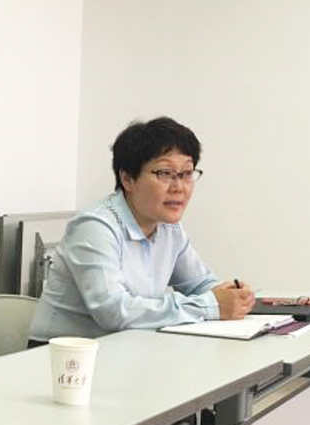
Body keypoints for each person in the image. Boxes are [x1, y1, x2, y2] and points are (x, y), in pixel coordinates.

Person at [28, 116, 255, 346]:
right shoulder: (95, 226)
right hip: (60, 354)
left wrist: (232, 295)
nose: (179, 187)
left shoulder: (169, 228)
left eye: (187, 173)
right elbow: (112, 311)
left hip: (125, 347)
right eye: (165, 173)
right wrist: (210, 305)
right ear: (127, 179)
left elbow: (198, 284)